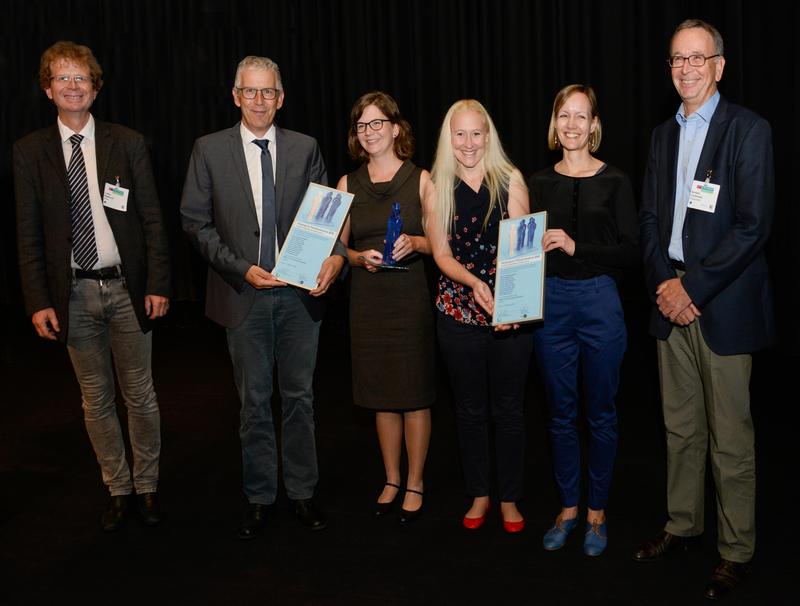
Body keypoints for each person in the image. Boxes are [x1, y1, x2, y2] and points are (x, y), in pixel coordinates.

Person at [635, 20, 775, 600]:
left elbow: (753, 226)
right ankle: (682, 525)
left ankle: (736, 549)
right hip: (671, 299)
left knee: (731, 438)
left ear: (719, 65)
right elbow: (648, 221)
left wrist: (695, 290)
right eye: (677, 59)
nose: (687, 68)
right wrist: (666, 284)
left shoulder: (748, 129)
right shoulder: (662, 136)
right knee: (680, 427)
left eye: (698, 58)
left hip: (722, 303)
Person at [180, 55, 346, 539]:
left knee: (300, 398)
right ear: (235, 96)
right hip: (241, 293)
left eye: (267, 92)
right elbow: (195, 221)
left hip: (299, 298)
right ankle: (259, 495)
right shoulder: (208, 150)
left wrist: (335, 258)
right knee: (253, 402)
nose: (258, 100)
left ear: (281, 98)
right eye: (249, 92)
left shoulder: (305, 148)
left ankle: (301, 492)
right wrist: (241, 269)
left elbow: (327, 215)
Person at [13, 41, 171, 531]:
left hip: (127, 288)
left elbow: (151, 218)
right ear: (47, 89)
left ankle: (147, 487)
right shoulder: (29, 152)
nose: (73, 86)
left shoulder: (127, 141)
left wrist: (160, 282)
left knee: (140, 394)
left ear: (96, 88)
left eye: (82, 77)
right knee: (95, 398)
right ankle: (117, 487)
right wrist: (38, 300)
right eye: (63, 78)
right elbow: (28, 233)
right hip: (73, 294)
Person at [528, 84, 638, 556]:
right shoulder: (535, 183)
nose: (571, 124)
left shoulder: (616, 181)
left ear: (594, 125)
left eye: (581, 116)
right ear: (554, 124)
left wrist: (578, 246)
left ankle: (597, 512)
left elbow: (632, 252)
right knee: (559, 413)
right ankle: (568, 506)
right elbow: (521, 251)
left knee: (601, 412)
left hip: (600, 301)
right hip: (551, 303)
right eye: (563, 116)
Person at [426, 99, 533, 533]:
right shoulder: (435, 185)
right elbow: (440, 254)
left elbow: (522, 249)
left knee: (509, 410)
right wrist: (473, 284)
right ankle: (480, 494)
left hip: (509, 317)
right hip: (457, 315)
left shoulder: (512, 179)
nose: (469, 144)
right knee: (469, 410)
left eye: (476, 133)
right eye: (460, 134)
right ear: (448, 139)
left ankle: (509, 497)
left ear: (488, 136)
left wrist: (510, 303)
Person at [337, 91, 436, 522]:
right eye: (362, 125)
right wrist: (358, 258)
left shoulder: (422, 180)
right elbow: (337, 247)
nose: (370, 131)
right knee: (380, 395)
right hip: (368, 300)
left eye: (378, 123)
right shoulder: (346, 184)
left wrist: (415, 243)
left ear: (396, 128)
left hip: (409, 299)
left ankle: (416, 479)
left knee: (413, 393)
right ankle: (391, 477)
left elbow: (440, 245)